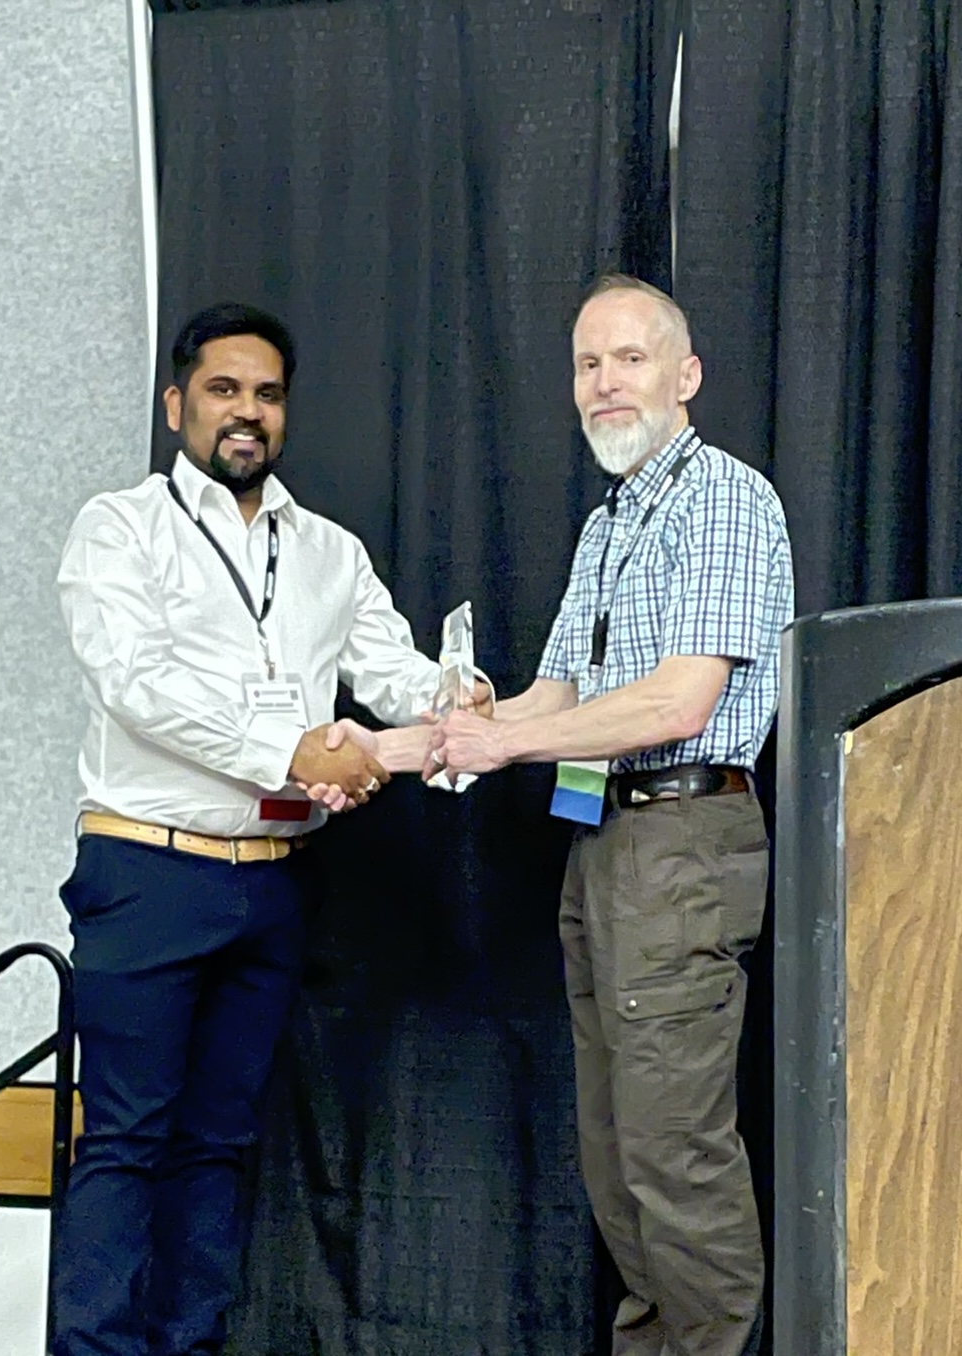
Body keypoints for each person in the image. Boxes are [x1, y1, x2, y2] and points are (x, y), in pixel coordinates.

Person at [331, 275, 794, 1356]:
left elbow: (684, 698)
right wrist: (383, 749)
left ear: (684, 377)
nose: (603, 384)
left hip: (685, 839)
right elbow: (554, 698)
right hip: (608, 848)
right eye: (587, 365)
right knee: (617, 1151)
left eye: (628, 359)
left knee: (676, 1152)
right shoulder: (610, 523)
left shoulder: (723, 498)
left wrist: (505, 741)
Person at [53, 302, 475, 1356]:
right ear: (176, 405)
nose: (246, 413)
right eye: (223, 390)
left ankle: (189, 1346)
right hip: (148, 874)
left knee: (217, 1148)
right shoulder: (119, 527)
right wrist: (293, 749)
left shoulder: (328, 551)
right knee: (123, 1146)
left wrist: (463, 704)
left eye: (268, 395)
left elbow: (394, 674)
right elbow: (137, 681)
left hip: (273, 886)